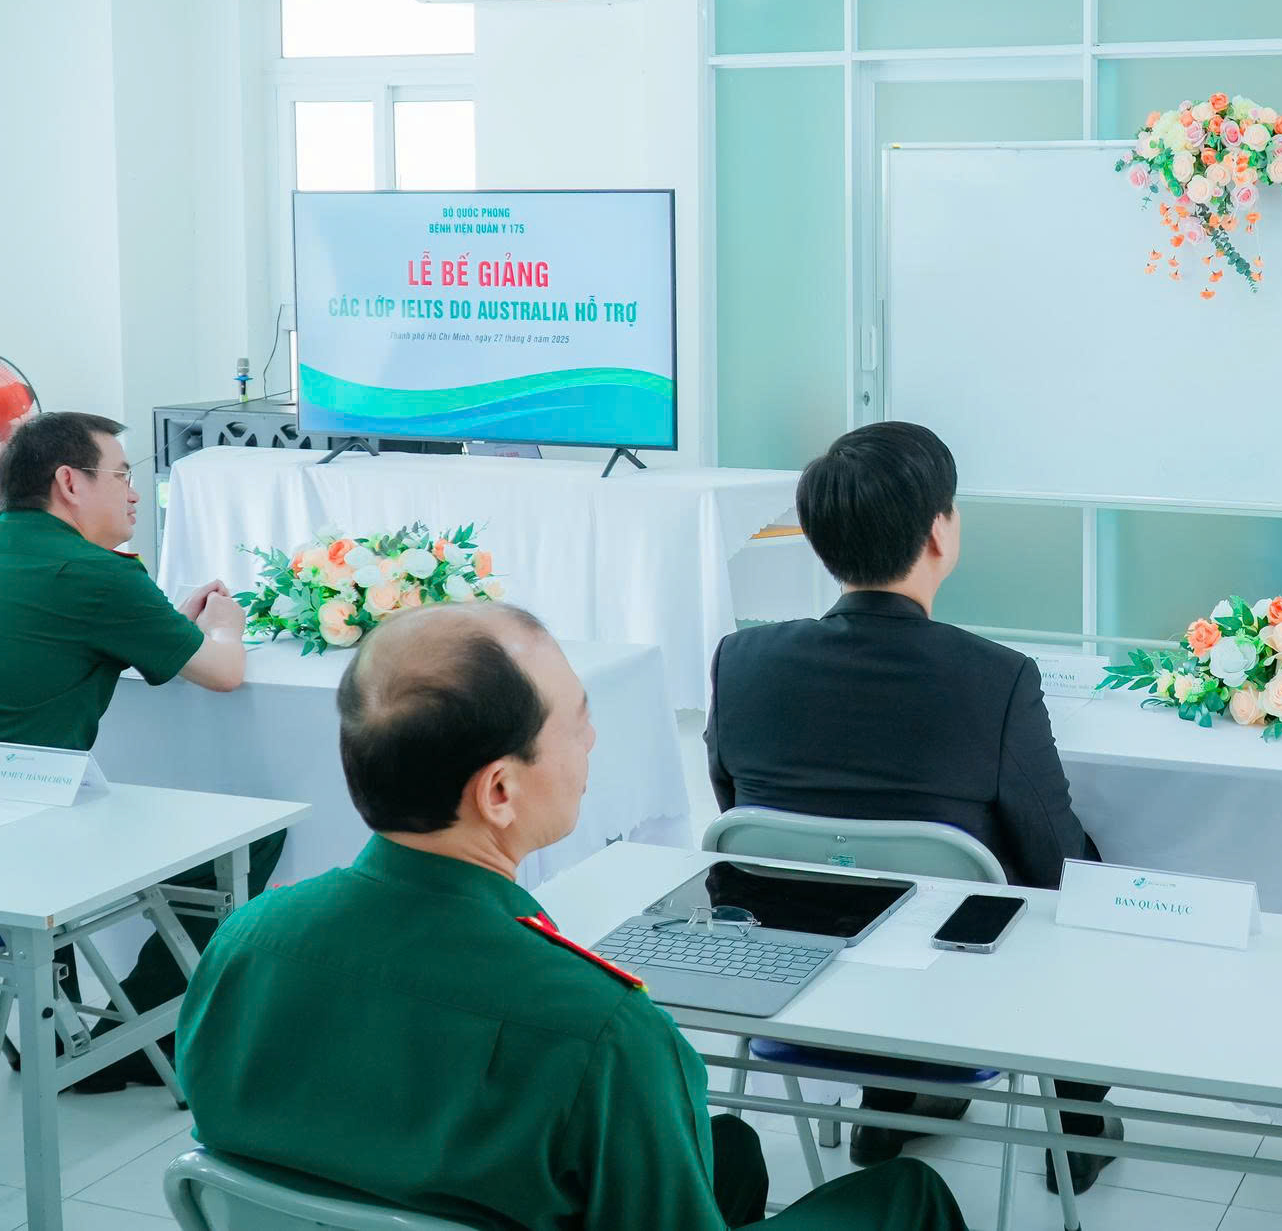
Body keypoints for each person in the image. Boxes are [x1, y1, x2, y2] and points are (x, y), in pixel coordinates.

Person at [177, 601, 966, 1231]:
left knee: (728, 1148)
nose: (591, 739)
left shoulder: (243, 944)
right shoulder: (602, 1029)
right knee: (904, 1194)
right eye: (576, 721)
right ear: (499, 790)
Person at [707, 421, 1120, 1191]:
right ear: (939, 530)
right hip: (956, 979)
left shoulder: (742, 660)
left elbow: (736, 813)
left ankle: (891, 1100)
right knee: (1088, 873)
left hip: (800, 972)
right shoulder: (995, 678)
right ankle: (1078, 1120)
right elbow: (1055, 858)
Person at [0, 410, 272, 1091]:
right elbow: (223, 672)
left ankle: (62, 1031)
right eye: (121, 475)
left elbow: (51, 637)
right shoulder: (96, 573)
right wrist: (225, 627)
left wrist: (163, 625)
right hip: (11, 839)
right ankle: (136, 1036)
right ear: (69, 482)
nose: (134, 493)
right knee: (254, 828)